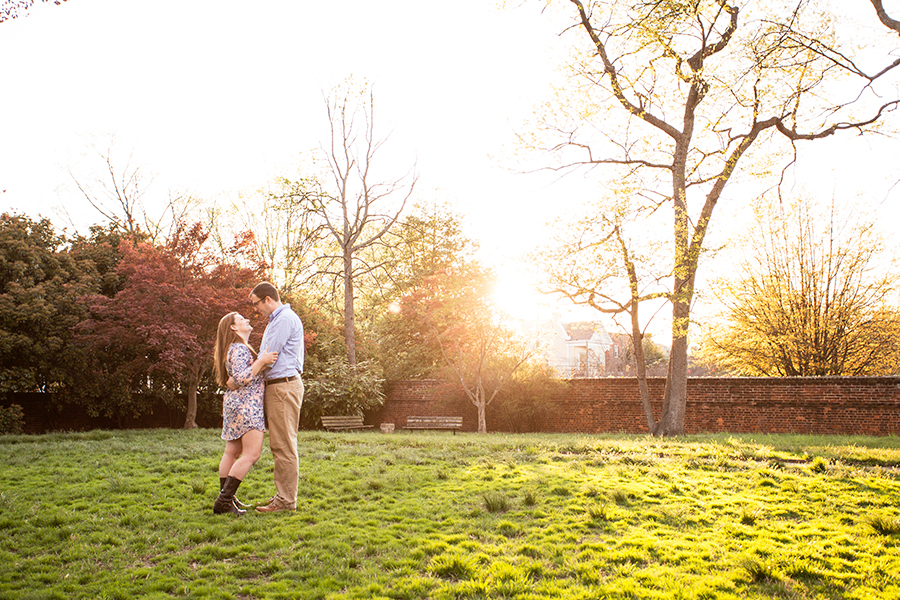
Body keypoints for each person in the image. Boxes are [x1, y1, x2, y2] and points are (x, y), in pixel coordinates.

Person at [212, 311, 278, 515]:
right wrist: (262, 360)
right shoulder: (240, 348)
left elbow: (234, 379)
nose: (246, 320)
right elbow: (240, 378)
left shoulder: (232, 348)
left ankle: (228, 499)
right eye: (241, 319)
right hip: (247, 406)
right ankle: (224, 501)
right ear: (233, 327)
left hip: (235, 405)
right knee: (251, 454)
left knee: (231, 452)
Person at [249, 282, 305, 514]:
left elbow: (268, 356)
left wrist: (243, 375)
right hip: (279, 387)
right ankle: (284, 497)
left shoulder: (283, 320)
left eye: (256, 304)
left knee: (283, 446)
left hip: (283, 387)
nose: (256, 309)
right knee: (280, 444)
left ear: (268, 300)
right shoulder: (278, 319)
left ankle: (285, 501)